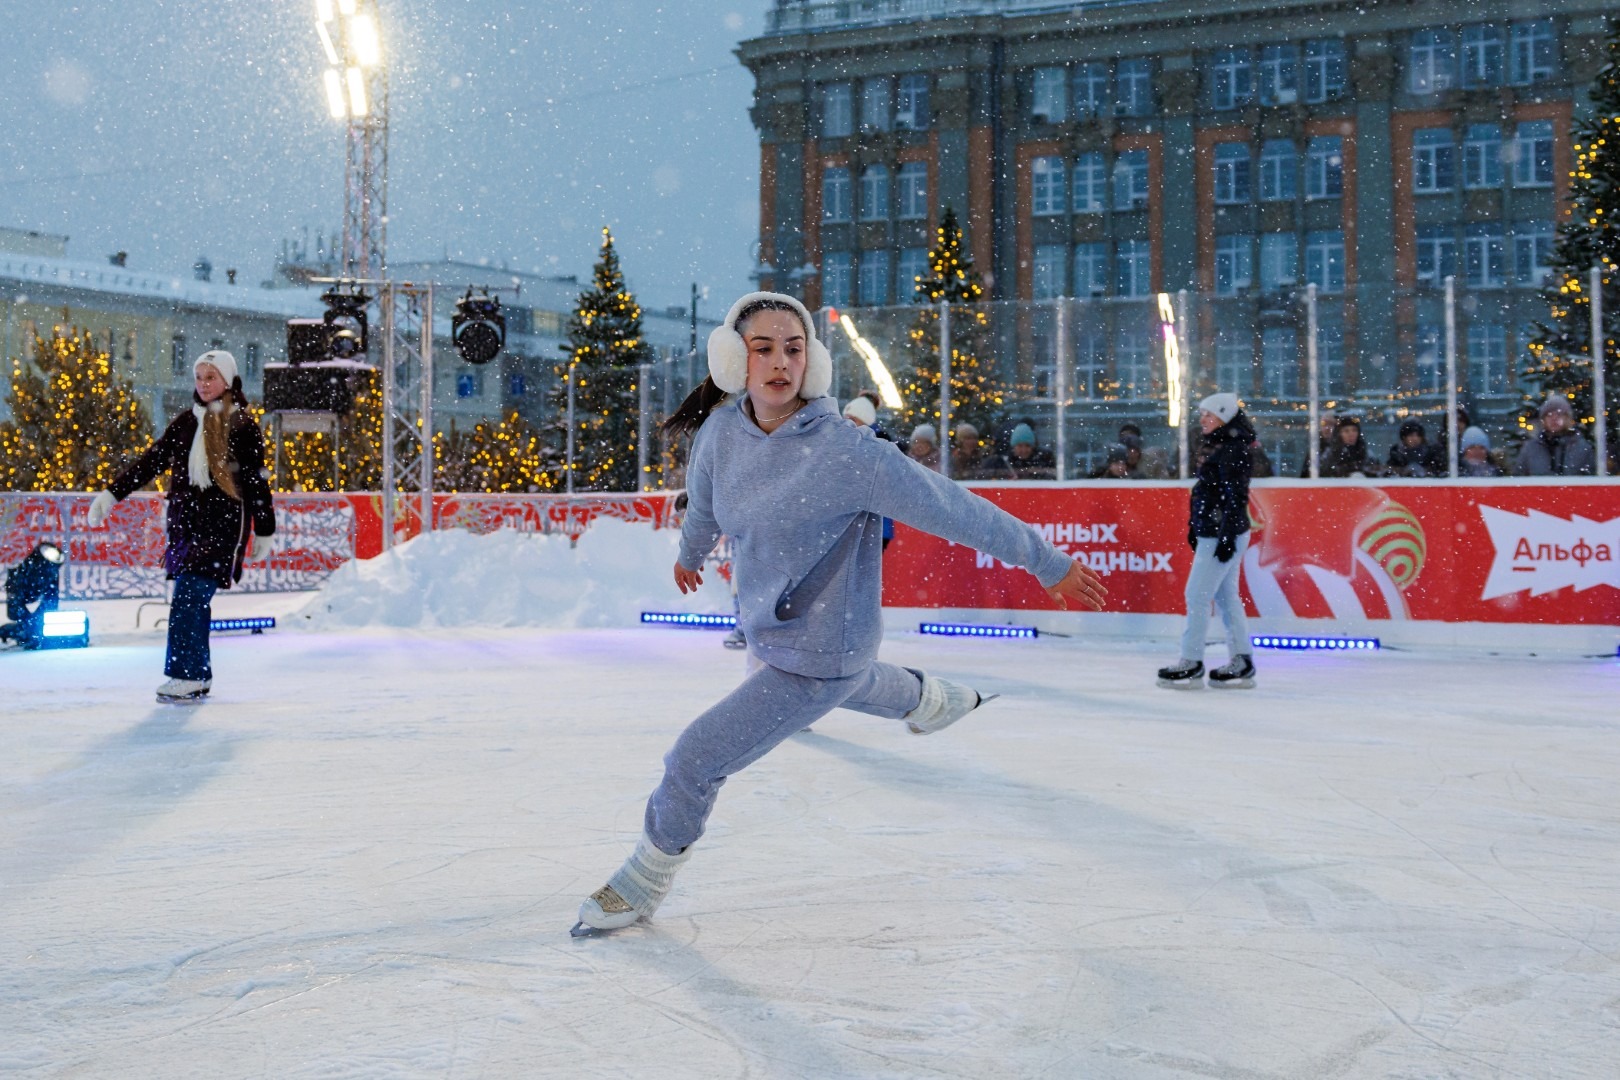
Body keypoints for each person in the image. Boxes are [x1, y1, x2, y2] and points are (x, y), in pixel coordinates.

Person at [573, 292, 1107, 935]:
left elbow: (957, 509)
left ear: (813, 363)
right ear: (733, 359)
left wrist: (1048, 563)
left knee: (694, 758)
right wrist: (689, 553)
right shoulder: (720, 433)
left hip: (821, 648)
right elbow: (706, 506)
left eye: (793, 349)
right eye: (762, 348)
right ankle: (932, 701)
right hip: (777, 632)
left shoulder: (849, 452)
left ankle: (645, 876)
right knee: (856, 682)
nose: (779, 362)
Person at [87, 351, 276, 703]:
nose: (204, 385)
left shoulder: (242, 426)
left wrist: (264, 527)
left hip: (222, 530)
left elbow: (255, 482)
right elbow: (152, 461)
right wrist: (112, 494)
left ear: (228, 381)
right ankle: (198, 675)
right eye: (199, 377)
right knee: (192, 602)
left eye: (211, 377)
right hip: (186, 529)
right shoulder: (186, 423)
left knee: (188, 599)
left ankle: (184, 675)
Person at [1158, 393, 1255, 689]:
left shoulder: (1232, 450)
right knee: (1226, 598)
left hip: (1221, 533)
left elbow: (1234, 497)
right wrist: (1195, 524)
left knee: (1197, 595)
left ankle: (1191, 661)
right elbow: (1210, 493)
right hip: (1217, 531)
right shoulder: (1225, 446)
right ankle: (1242, 660)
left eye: (1208, 415)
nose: (1202, 420)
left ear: (1224, 417)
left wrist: (1224, 534)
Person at [1515, 394, 1595, 476]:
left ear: (1568, 418)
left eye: (1559, 414)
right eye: (1549, 415)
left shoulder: (1582, 448)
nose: (1554, 418)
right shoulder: (1530, 449)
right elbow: (1519, 479)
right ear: (1543, 420)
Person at [1317, 414, 1375, 478]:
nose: (1351, 434)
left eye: (1354, 430)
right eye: (1346, 431)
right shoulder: (1329, 455)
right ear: (1339, 434)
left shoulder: (1367, 454)